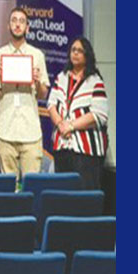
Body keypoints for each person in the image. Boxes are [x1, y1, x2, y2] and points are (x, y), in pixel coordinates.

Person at [0, 7, 51, 180]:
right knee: (9, 187)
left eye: (22, 21)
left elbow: (43, 94)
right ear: (8, 26)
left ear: (27, 27)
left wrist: (38, 81)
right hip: (6, 130)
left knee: (31, 185)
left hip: (30, 131)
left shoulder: (36, 55)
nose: (17, 25)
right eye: (14, 21)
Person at [47, 37, 109, 190]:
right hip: (62, 146)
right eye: (73, 50)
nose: (75, 53)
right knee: (62, 195)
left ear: (87, 55)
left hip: (86, 151)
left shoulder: (95, 81)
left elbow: (99, 115)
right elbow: (51, 105)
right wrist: (61, 124)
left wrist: (71, 126)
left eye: (80, 51)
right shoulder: (61, 78)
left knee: (84, 196)